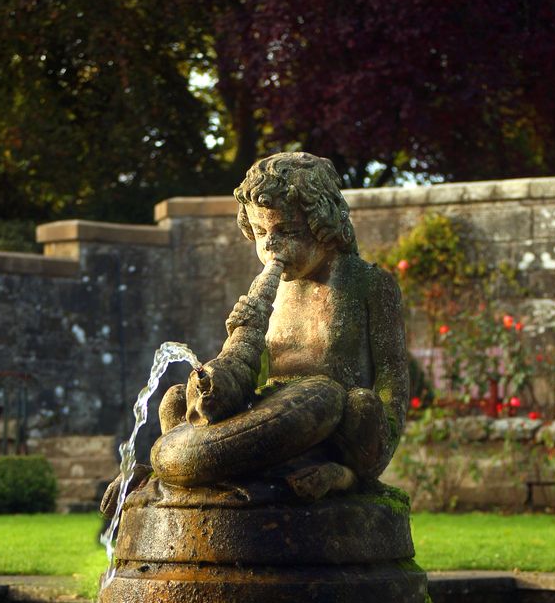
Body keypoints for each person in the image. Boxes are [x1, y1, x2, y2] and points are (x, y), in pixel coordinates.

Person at [152, 151, 409, 500]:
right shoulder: (272, 292)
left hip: (333, 422)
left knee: (364, 406)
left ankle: (346, 478)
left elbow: (392, 381)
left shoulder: (370, 285)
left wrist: (379, 445)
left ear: (323, 225)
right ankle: (175, 479)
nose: (269, 246)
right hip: (275, 416)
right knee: (175, 400)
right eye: (260, 231)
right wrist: (222, 378)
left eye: (285, 230)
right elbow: (253, 380)